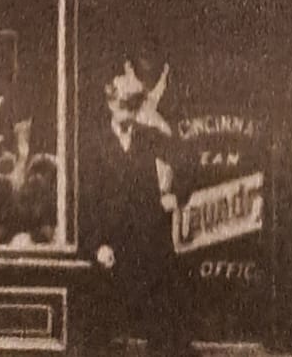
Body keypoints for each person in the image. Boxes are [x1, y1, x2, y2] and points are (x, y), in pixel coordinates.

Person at [95, 49, 190, 357]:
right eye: (124, 106)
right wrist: (98, 244)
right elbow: (87, 199)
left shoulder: (149, 136)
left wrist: (175, 194)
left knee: (161, 321)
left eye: (134, 106)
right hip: (111, 243)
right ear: (110, 104)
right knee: (109, 328)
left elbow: (186, 160)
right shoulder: (95, 146)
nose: (129, 113)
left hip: (148, 238)